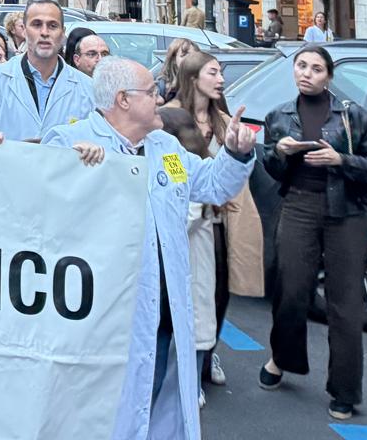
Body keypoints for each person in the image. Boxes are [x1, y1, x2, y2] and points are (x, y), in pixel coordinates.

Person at [45, 56, 256, 440]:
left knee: (152, 403)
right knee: (99, 416)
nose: (160, 98)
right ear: (123, 99)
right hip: (102, 322)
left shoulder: (165, 147)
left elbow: (212, 184)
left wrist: (235, 153)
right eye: (151, 92)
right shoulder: (70, 142)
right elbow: (40, 207)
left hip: (161, 314)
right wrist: (71, 167)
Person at [258, 43, 367, 420]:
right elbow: (272, 170)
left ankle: (344, 390)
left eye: (316, 68)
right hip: (298, 206)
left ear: (329, 76)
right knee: (290, 291)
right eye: (301, 66)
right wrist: (279, 153)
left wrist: (340, 159)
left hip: (346, 211)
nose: (306, 73)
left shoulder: (353, 115)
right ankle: (282, 358)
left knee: (345, 303)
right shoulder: (279, 115)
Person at [170, 49, 266, 392]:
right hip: (188, 224)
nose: (221, 79)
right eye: (213, 72)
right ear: (193, 77)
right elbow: (173, 173)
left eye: (221, 72)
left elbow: (234, 171)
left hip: (223, 220)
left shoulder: (223, 119)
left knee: (217, 291)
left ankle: (208, 352)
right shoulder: (170, 118)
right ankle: (184, 367)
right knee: (187, 295)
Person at [0, 0, 93, 141]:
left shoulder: (88, 88)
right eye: (37, 24)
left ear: (62, 33)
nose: (44, 32)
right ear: (24, 30)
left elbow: (99, 141)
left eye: (53, 26)